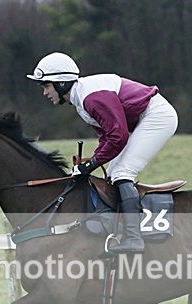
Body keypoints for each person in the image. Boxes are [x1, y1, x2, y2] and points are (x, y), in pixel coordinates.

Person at [27, 52, 178, 254]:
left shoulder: (91, 98)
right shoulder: (81, 99)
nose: (45, 92)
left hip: (156, 117)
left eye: (46, 86)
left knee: (122, 172)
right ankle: (121, 229)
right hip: (141, 120)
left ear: (61, 83)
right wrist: (87, 165)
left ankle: (134, 238)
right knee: (114, 172)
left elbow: (118, 137)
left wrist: (89, 166)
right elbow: (107, 138)